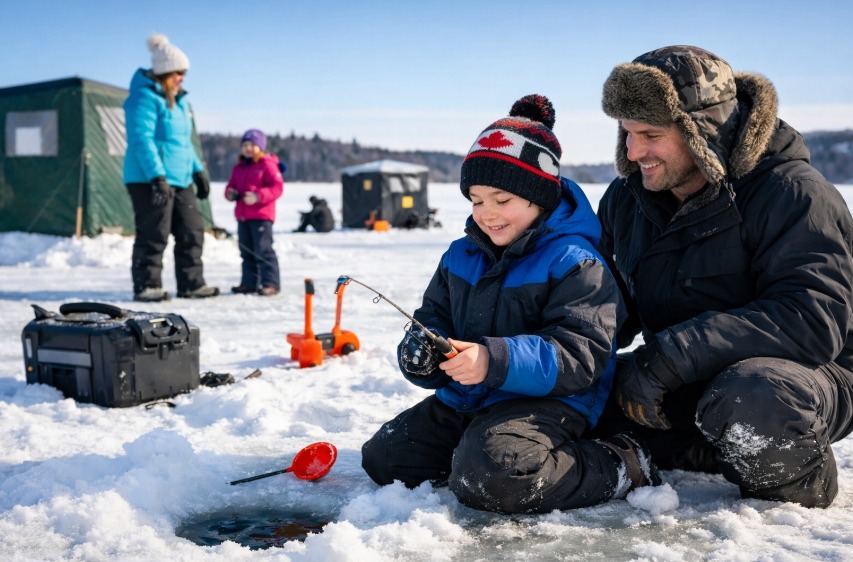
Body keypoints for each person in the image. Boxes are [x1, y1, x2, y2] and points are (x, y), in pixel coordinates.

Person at [362, 94, 661, 515]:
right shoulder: (459, 255)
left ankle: (621, 462)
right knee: (387, 458)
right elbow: (433, 317)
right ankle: (477, 448)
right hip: (467, 398)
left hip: (552, 401)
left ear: (538, 197)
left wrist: (493, 360)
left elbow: (581, 355)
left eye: (502, 200)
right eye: (477, 200)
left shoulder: (576, 262)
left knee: (496, 478)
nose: (487, 214)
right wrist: (421, 354)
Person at [590, 45, 853, 508]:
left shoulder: (794, 194)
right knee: (576, 392)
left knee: (751, 396)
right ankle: (701, 447)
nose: (634, 152)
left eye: (650, 134)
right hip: (679, 377)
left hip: (803, 379)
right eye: (626, 133)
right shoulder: (627, 198)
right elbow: (607, 304)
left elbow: (811, 321)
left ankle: (795, 492)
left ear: (703, 132)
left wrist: (671, 356)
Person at [123, 34, 219, 302]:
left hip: (181, 177)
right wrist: (157, 176)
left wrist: (198, 170)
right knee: (154, 232)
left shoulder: (180, 102)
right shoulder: (142, 98)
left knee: (192, 230)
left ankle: (191, 283)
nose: (182, 79)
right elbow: (141, 139)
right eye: (179, 73)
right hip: (148, 177)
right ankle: (147, 285)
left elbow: (183, 142)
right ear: (166, 72)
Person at [225, 129, 284, 296]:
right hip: (243, 216)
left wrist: (258, 196)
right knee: (246, 251)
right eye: (245, 145)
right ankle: (249, 283)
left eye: (252, 144)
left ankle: (270, 283)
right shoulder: (239, 167)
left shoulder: (267, 165)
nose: (248, 148)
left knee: (263, 250)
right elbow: (230, 186)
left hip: (261, 216)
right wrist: (231, 193)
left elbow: (277, 187)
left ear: (260, 147)